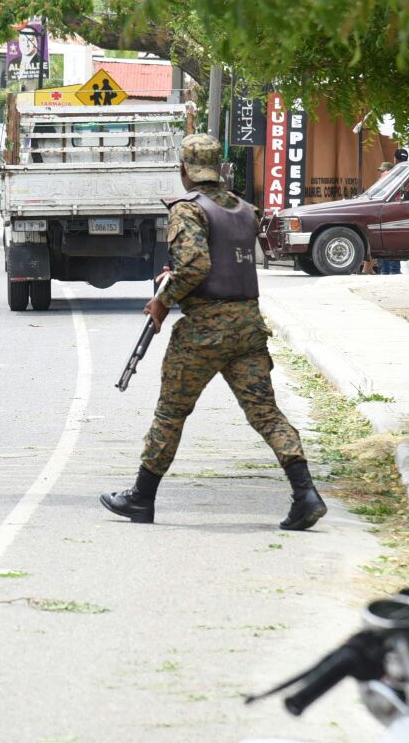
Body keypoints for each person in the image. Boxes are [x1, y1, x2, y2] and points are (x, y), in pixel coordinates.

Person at [101, 133, 327, 531]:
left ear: (184, 169)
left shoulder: (188, 209)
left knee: (171, 412)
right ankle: (305, 493)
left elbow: (194, 265)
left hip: (205, 330)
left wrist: (162, 299)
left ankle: (141, 497)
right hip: (248, 326)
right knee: (265, 412)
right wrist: (177, 277)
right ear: (219, 168)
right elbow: (219, 259)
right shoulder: (244, 209)